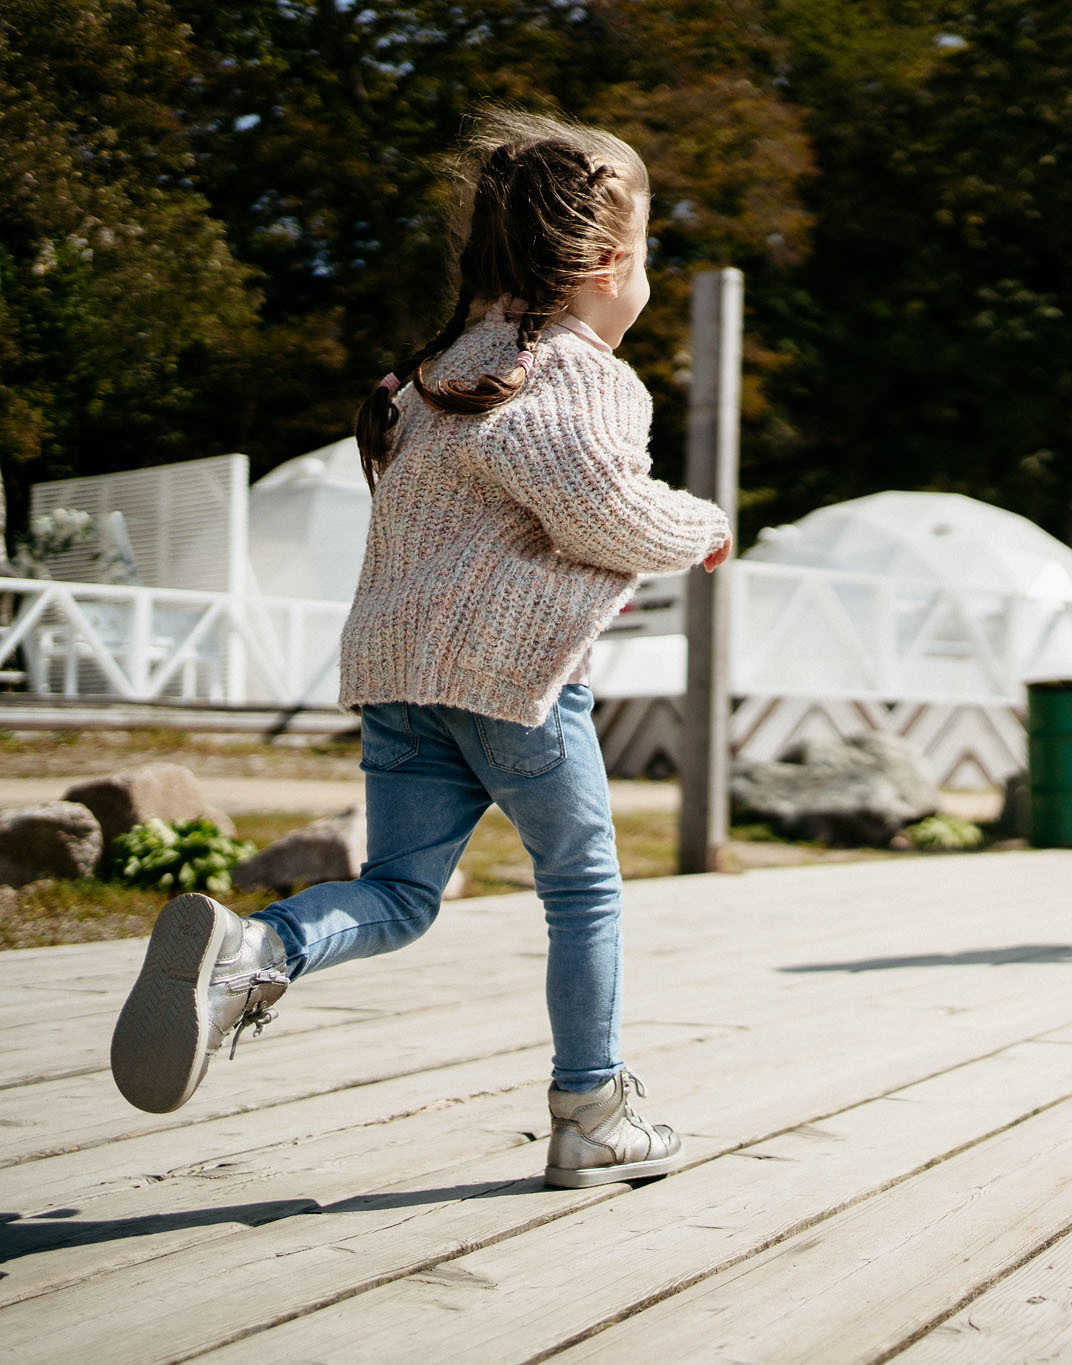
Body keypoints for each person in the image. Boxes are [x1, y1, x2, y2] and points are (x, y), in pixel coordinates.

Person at [110, 110, 733, 1189]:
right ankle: (591, 1112)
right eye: (650, 256)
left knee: (400, 892)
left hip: (402, 679)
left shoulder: (441, 370)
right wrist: (705, 524)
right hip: (512, 691)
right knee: (581, 891)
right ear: (609, 262)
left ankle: (258, 952)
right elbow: (605, 513)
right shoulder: (574, 372)